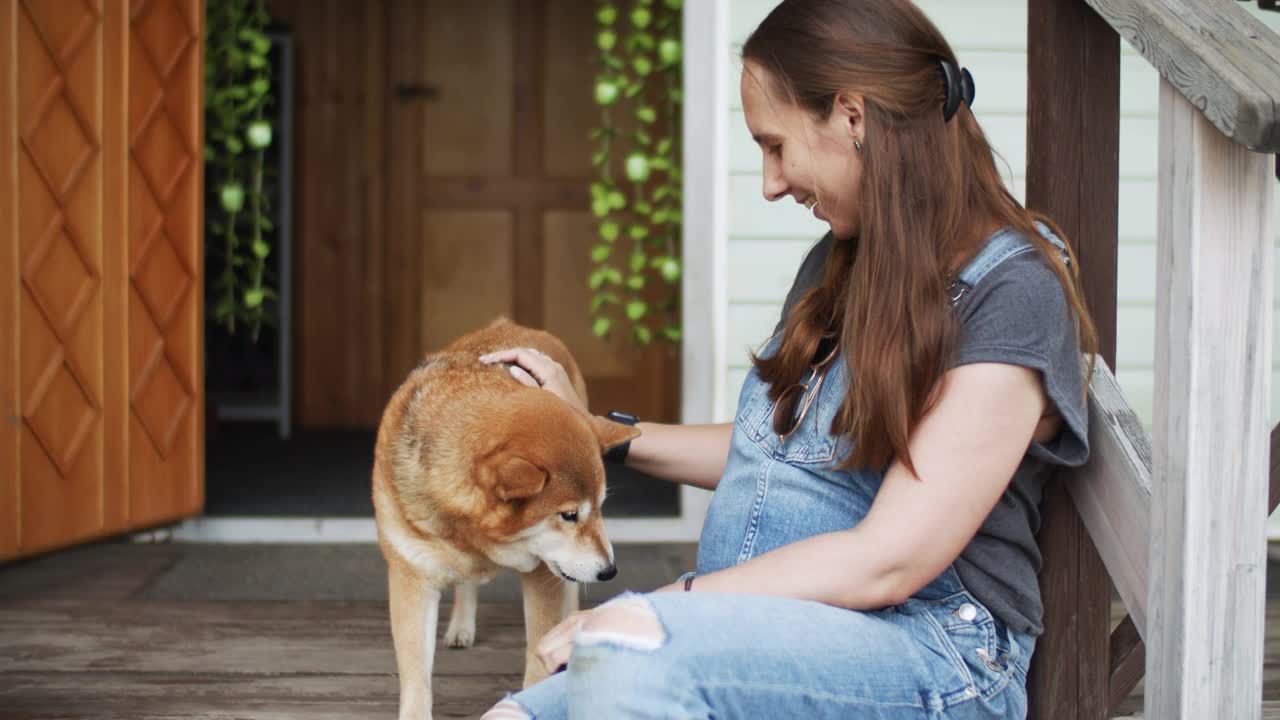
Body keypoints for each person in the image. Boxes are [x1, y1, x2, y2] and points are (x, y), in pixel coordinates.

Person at [477, 0, 1098, 717]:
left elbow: (890, 559)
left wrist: (665, 607)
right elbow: (776, 454)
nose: (771, 183)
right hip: (753, 639)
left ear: (852, 118)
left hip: (929, 653)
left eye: (775, 146)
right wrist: (589, 433)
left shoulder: (1011, 292)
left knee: (624, 653)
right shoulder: (843, 261)